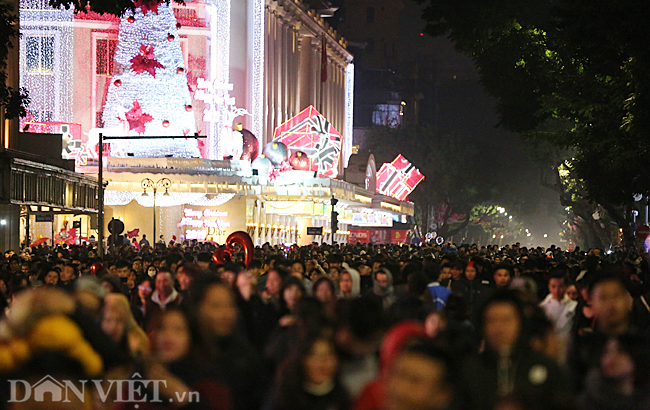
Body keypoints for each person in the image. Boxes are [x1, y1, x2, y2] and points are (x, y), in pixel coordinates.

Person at [461, 290, 571, 410]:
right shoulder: (470, 369)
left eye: (506, 320)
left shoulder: (545, 366)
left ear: (520, 322)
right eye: (491, 320)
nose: (499, 328)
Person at [265, 332, 349, 410]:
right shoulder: (285, 397)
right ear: (301, 360)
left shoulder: (342, 397)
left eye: (329, 355)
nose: (323, 364)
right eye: (315, 356)